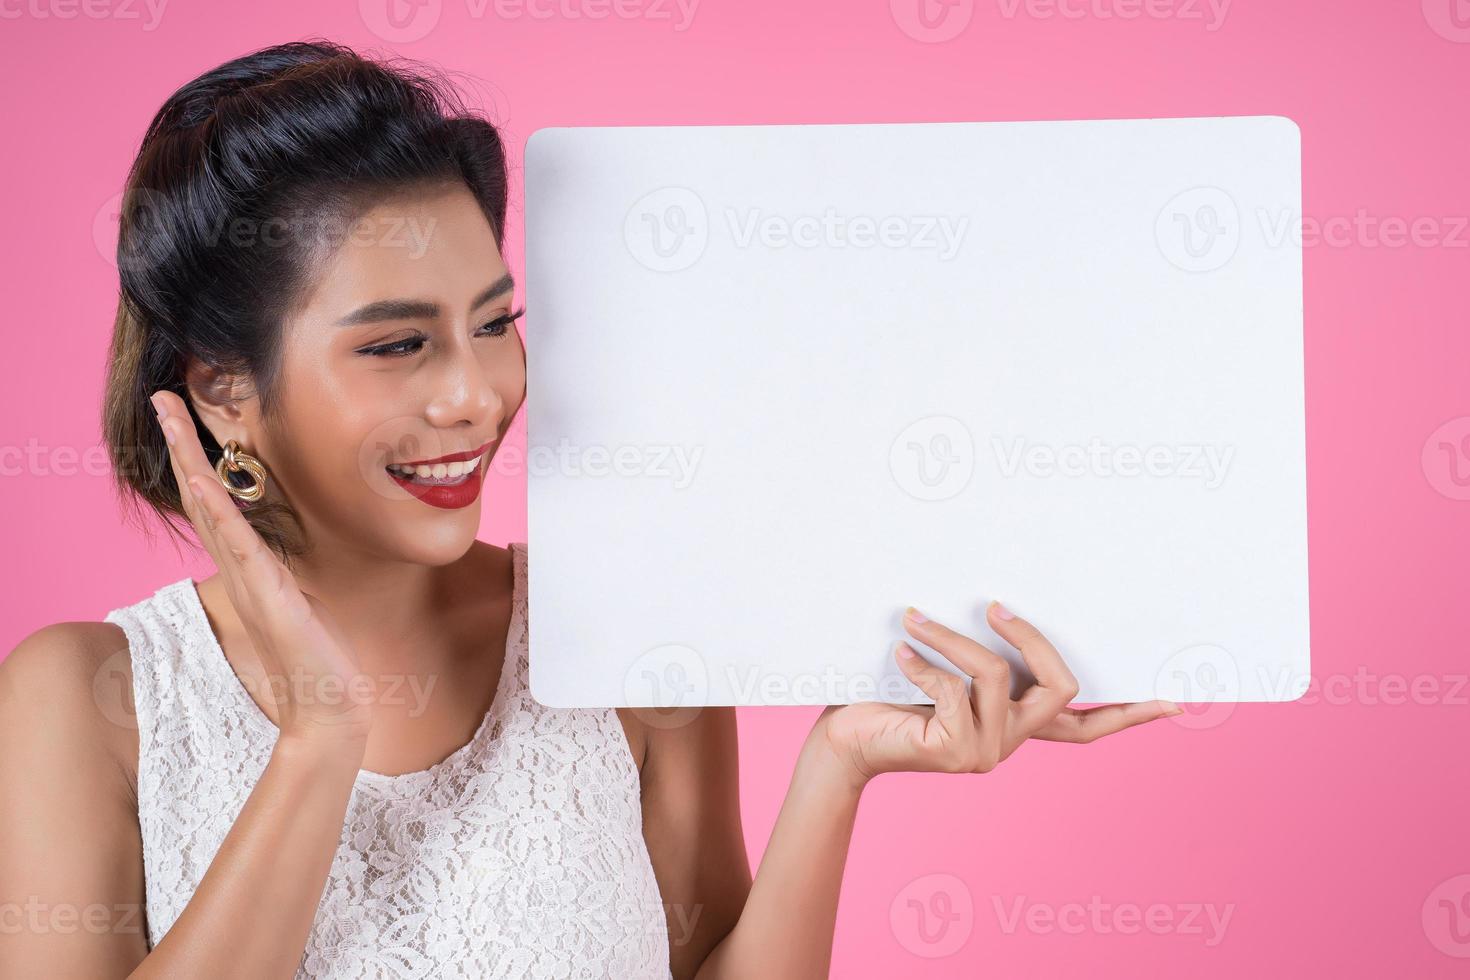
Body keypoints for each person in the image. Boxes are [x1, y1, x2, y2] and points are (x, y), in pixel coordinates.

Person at [0, 40, 1180, 979]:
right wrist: (318, 738)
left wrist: (838, 765)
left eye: (497, 322)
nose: (478, 394)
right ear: (224, 389)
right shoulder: (82, 699)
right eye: (399, 343)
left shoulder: (623, 630)